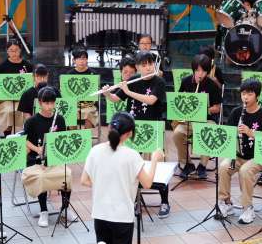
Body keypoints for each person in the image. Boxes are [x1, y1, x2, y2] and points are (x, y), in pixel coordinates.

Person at [103, 52, 170, 218]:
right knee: (133, 164)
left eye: (150, 64)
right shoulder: (133, 81)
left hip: (153, 127)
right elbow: (116, 98)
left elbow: (151, 100)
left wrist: (128, 91)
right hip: (134, 128)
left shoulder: (159, 82)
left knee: (158, 163)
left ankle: (164, 201)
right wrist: (107, 94)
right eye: (144, 65)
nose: (148, 68)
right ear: (138, 67)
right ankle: (134, 200)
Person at [81, 111, 164, 244]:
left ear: (109, 128)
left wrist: (104, 184)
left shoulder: (95, 150)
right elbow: (147, 183)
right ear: (129, 133)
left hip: (100, 213)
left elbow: (84, 180)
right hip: (122, 217)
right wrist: (154, 159)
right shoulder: (132, 155)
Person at [218, 78, 262, 225]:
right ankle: (226, 202)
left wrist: (251, 133)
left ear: (257, 96)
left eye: (249, 94)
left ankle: (248, 208)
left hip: (258, 157)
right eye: (243, 94)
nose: (245, 97)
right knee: (223, 167)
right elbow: (227, 135)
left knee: (245, 171)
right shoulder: (236, 112)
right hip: (238, 154)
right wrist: (233, 133)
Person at [23, 86, 72, 228]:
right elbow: (24, 140)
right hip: (36, 159)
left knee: (67, 174)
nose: (50, 106)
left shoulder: (60, 119)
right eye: (46, 103)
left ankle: (65, 208)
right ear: (40, 103)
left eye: (52, 103)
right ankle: (43, 210)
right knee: (41, 177)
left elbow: (63, 139)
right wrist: (37, 149)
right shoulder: (31, 121)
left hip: (54, 158)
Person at [173, 54, 222, 180]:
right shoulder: (186, 81)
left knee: (209, 131)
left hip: (206, 120)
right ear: (193, 69)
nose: (200, 74)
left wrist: (203, 110)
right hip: (188, 120)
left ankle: (202, 165)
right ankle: (187, 164)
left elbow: (218, 107)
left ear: (207, 71)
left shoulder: (212, 85)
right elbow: (179, 100)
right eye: (197, 70)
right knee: (177, 134)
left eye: (204, 71)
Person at [0, 40, 33, 136]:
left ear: (20, 50)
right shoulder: (2, 66)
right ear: (7, 51)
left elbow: (33, 79)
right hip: (6, 99)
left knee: (22, 110)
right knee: (8, 111)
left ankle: (23, 134)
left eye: (16, 50)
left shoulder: (27, 65)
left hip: (22, 98)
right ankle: (7, 135)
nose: (14, 53)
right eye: (11, 50)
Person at [66, 47, 99, 128]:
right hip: (74, 104)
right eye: (79, 59)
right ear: (74, 60)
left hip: (89, 105)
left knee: (89, 113)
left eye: (84, 58)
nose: (81, 61)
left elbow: (97, 92)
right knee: (70, 112)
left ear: (87, 60)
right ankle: (72, 133)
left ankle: (86, 134)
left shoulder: (93, 74)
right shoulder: (69, 75)